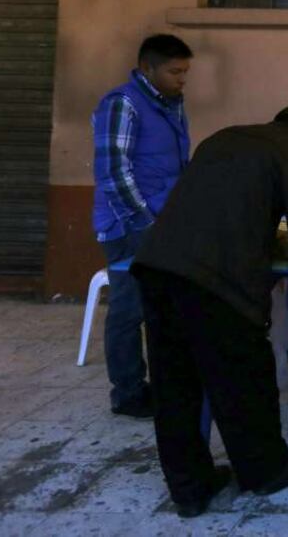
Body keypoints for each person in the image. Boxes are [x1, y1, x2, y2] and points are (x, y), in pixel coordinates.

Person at [131, 105, 288, 517]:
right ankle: (266, 470)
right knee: (244, 377)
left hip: (158, 267)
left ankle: (189, 489)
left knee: (175, 387)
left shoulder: (222, 137)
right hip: (217, 281)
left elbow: (215, 210)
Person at [91, 34, 192, 418]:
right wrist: (146, 221)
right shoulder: (122, 104)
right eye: (174, 71)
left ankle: (157, 383)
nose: (182, 79)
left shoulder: (170, 105)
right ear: (148, 68)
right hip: (131, 224)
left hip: (162, 220)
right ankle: (128, 391)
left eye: (185, 71)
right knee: (128, 309)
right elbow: (114, 172)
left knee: (161, 307)